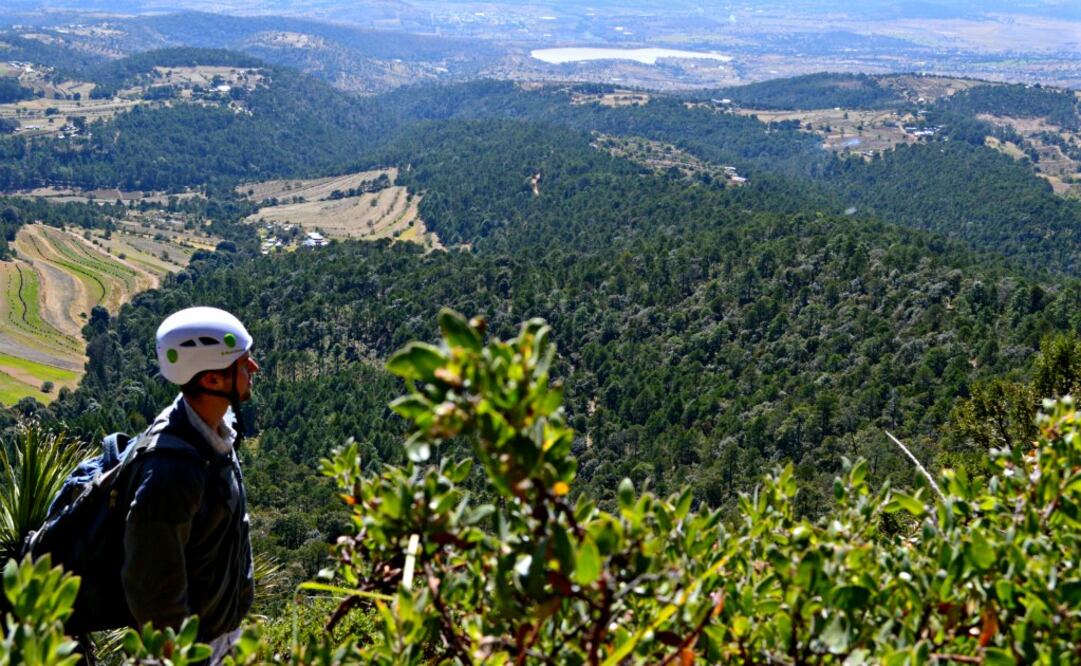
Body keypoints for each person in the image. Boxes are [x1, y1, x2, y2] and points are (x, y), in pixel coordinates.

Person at [121, 306, 259, 656]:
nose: (254, 367)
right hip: (192, 651)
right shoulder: (171, 473)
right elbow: (154, 593)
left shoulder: (215, 432)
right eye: (243, 363)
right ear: (212, 380)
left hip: (221, 634)